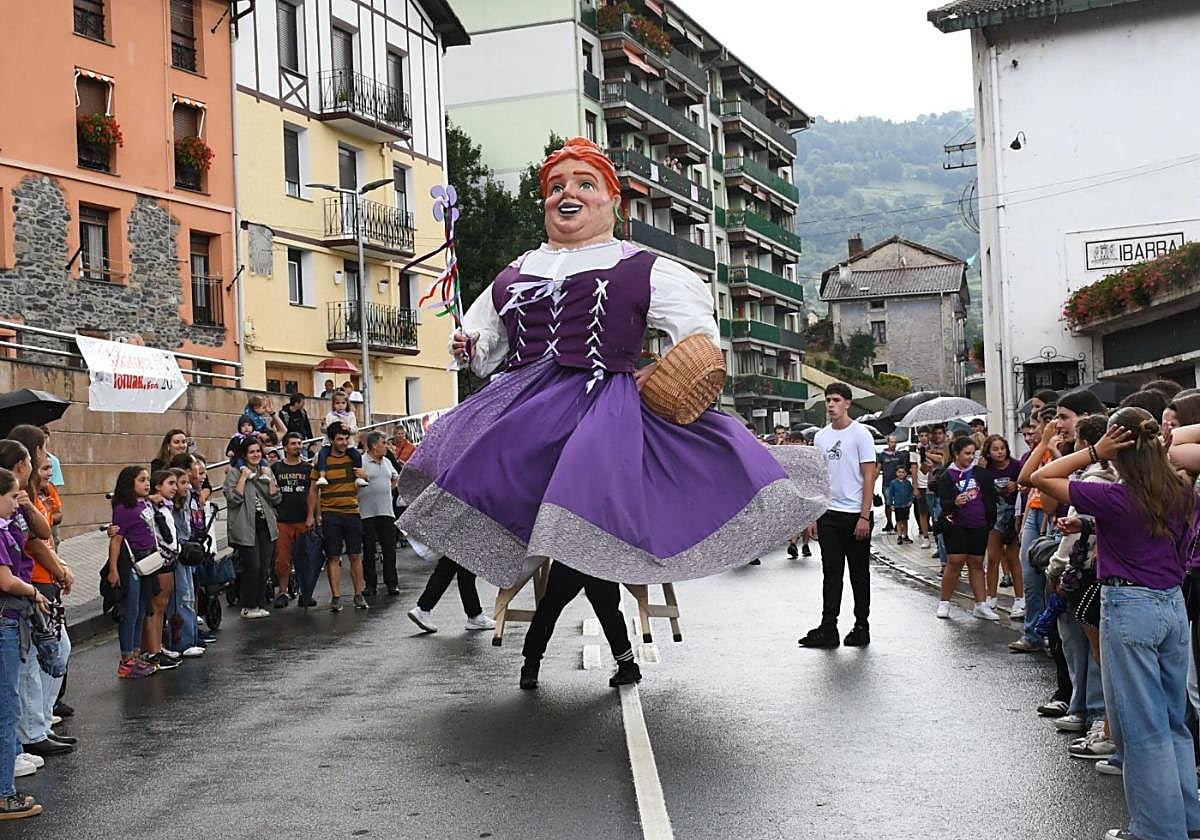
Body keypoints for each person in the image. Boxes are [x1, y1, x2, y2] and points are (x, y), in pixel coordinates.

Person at [397, 137, 826, 688]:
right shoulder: (517, 270)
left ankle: (549, 650)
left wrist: (658, 371)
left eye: (583, 183)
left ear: (610, 199)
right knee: (505, 494)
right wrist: (469, 345)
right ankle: (561, 645)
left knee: (584, 532)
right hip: (523, 409)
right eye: (556, 187)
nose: (567, 194)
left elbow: (697, 333)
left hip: (602, 411)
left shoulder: (640, 266)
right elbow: (488, 343)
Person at [1032, 408, 1200, 840]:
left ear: (1117, 447)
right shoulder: (1182, 491)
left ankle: (1157, 829)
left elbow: (1042, 476)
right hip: (1171, 605)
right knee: (1172, 719)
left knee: (1141, 728)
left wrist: (1092, 451)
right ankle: (1187, 818)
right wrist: (1091, 521)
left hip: (1130, 605)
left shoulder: (1115, 496)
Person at [798, 383, 877, 649]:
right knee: (831, 573)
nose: (830, 404)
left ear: (847, 404)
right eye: (827, 400)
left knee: (859, 574)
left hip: (855, 514)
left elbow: (869, 476)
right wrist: (813, 515)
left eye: (835, 400)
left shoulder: (861, 434)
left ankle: (861, 625)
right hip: (829, 514)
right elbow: (818, 478)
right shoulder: (821, 437)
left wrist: (864, 516)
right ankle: (828, 627)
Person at [0, 466, 49, 820]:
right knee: (8, 709)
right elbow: (6, 579)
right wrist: (32, 590)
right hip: (5, 621)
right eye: (9, 495)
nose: (14, 502)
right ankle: (4, 794)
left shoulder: (8, 527)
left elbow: (38, 532)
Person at [933, 437, 1000, 620]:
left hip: (979, 523)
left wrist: (989, 522)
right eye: (967, 454)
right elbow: (943, 503)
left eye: (973, 453)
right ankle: (944, 602)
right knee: (955, 561)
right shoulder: (946, 476)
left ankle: (981, 604)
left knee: (977, 563)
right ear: (956, 454)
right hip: (956, 524)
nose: (971, 457)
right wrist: (954, 502)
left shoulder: (981, 474)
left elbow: (990, 498)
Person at [307, 423, 369, 612]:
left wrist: (365, 476)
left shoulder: (353, 459)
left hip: (352, 512)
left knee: (355, 555)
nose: (343, 443)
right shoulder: (321, 462)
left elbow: (364, 482)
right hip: (330, 513)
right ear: (332, 440)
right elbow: (313, 490)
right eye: (339, 439)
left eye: (345, 439)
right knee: (333, 557)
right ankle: (336, 597)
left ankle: (359, 594)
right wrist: (311, 515)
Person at [107, 466, 158, 678]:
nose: (147, 483)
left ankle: (136, 655)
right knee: (130, 611)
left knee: (140, 610)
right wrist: (113, 569)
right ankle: (127, 659)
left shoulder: (144, 503)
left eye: (148, 479)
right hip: (132, 563)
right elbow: (116, 540)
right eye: (141, 480)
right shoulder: (124, 509)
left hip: (148, 561)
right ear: (130, 484)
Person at [224, 439, 280, 619]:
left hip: (265, 525)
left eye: (258, 451)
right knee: (253, 567)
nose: (255, 455)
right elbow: (233, 499)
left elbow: (276, 499)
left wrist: (269, 479)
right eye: (251, 452)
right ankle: (248, 605)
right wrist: (243, 477)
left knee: (264, 567)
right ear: (243, 455)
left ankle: (260, 603)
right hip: (246, 526)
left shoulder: (265, 471)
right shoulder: (234, 474)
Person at [140, 471, 182, 671]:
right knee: (156, 607)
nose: (174, 487)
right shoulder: (150, 505)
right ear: (158, 486)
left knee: (162, 607)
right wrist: (150, 498)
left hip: (170, 559)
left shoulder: (166, 505)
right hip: (160, 561)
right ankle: (153, 651)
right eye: (170, 483)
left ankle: (157, 646)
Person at [980, 434, 1024, 616]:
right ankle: (991, 597)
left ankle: (1020, 599)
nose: (1000, 452)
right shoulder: (986, 469)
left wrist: (1018, 484)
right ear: (988, 453)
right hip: (993, 517)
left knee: (1013, 557)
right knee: (993, 558)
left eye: (1002, 448)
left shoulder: (1015, 466)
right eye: (995, 449)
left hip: (1013, 515)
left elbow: (1025, 481)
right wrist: (980, 470)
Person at [270, 433, 311, 609]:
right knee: (282, 560)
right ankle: (283, 592)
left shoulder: (307, 469)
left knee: (304, 558)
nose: (297, 446)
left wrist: (313, 516)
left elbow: (313, 494)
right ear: (285, 448)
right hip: (283, 519)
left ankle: (305, 592)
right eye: (293, 443)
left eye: (299, 443)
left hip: (302, 519)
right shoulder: (276, 468)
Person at [358, 432, 400, 598]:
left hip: (386, 511)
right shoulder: (361, 461)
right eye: (383, 443)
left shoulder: (387, 462)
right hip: (367, 512)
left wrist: (390, 488)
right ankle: (370, 585)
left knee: (389, 549)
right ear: (374, 445)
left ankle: (392, 583)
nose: (386, 446)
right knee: (369, 551)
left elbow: (396, 477)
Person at [315, 390, 365, 488]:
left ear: (347, 403)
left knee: (357, 455)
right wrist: (323, 425)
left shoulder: (350, 415)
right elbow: (326, 430)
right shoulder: (330, 415)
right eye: (337, 403)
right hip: (330, 443)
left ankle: (359, 477)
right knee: (321, 454)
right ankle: (322, 476)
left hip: (348, 443)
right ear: (333, 404)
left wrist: (348, 428)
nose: (340, 405)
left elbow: (355, 429)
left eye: (343, 403)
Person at [876, 435, 904, 534]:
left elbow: (904, 469)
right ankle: (889, 522)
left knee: (898, 504)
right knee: (888, 503)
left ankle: (898, 523)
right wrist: (873, 481)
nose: (893, 444)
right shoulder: (882, 455)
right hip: (887, 483)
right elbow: (878, 468)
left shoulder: (900, 455)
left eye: (895, 442)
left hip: (898, 484)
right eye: (892, 442)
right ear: (888, 443)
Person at [885, 464, 914, 544]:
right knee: (898, 521)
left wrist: (911, 500)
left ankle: (905, 535)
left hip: (906, 505)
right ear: (896, 473)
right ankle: (899, 536)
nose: (901, 474)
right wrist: (890, 504)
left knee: (905, 520)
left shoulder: (908, 483)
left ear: (906, 473)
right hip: (897, 505)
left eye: (903, 472)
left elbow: (911, 492)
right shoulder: (893, 483)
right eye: (899, 472)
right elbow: (890, 494)